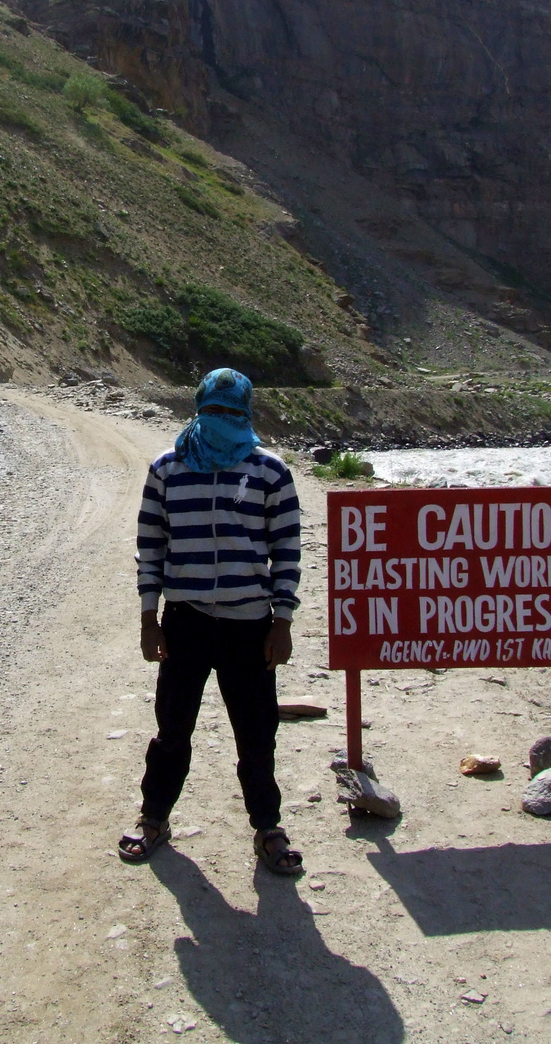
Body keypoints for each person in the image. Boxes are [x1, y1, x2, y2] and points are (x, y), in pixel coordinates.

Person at [119, 367, 305, 876]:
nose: (222, 420)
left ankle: (268, 827)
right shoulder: (168, 468)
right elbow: (150, 546)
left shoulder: (269, 471)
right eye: (213, 410)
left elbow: (287, 549)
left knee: (256, 733)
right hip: (185, 622)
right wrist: (147, 617)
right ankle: (154, 818)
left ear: (246, 414)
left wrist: (282, 620)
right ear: (198, 409)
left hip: (250, 626)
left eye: (232, 411)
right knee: (172, 729)